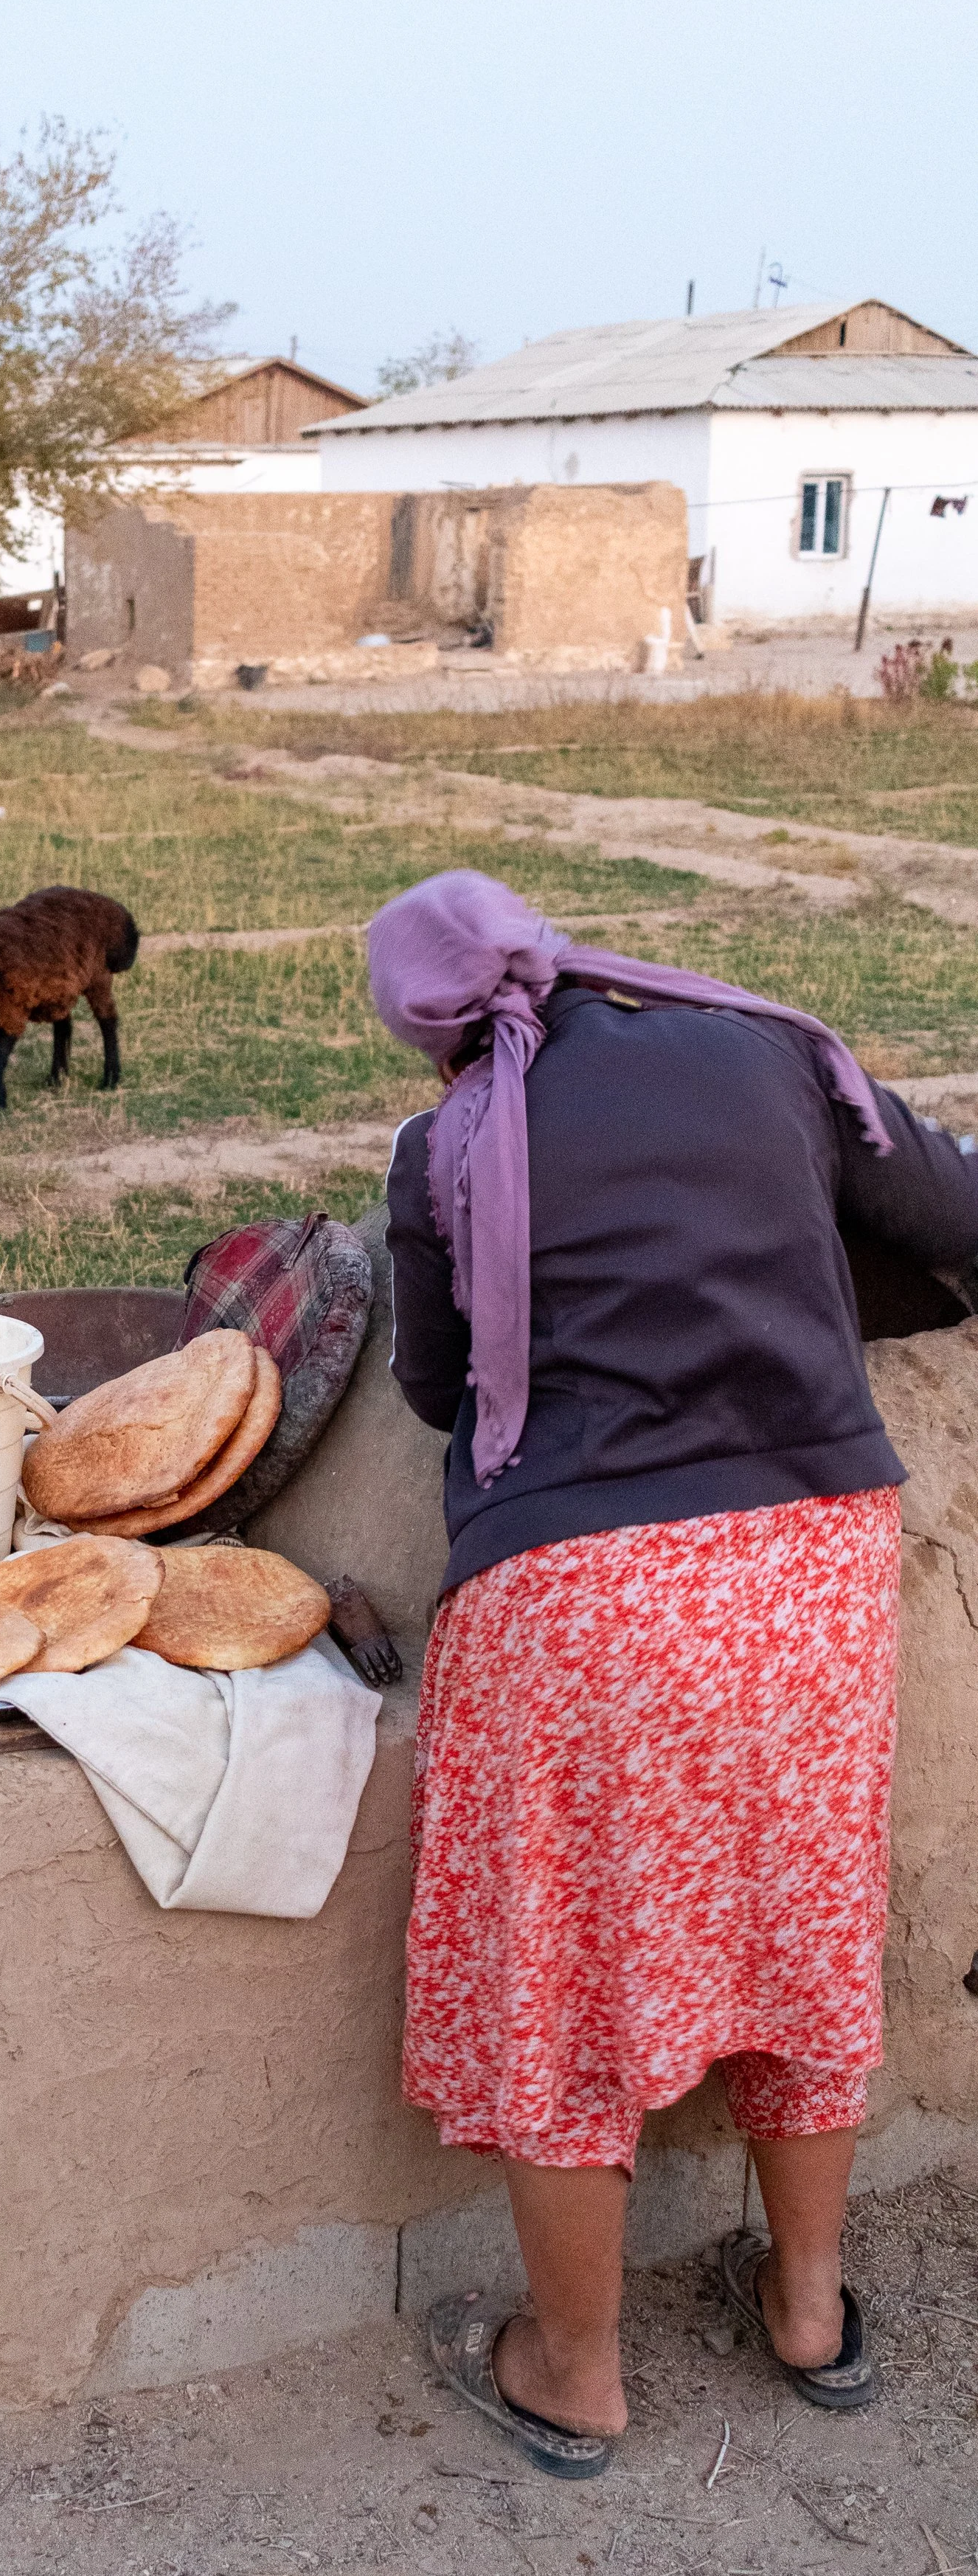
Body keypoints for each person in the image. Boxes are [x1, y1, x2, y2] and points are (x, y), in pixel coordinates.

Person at [369, 869, 978, 2479]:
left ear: (429, 1029)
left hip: (572, 1603)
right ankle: (803, 2306)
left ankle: (570, 2369)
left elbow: (439, 1391)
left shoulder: (446, 1147)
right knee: (803, 1922)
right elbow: (952, 1220)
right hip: (803, 1574)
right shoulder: (760, 1045)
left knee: (561, 1989)